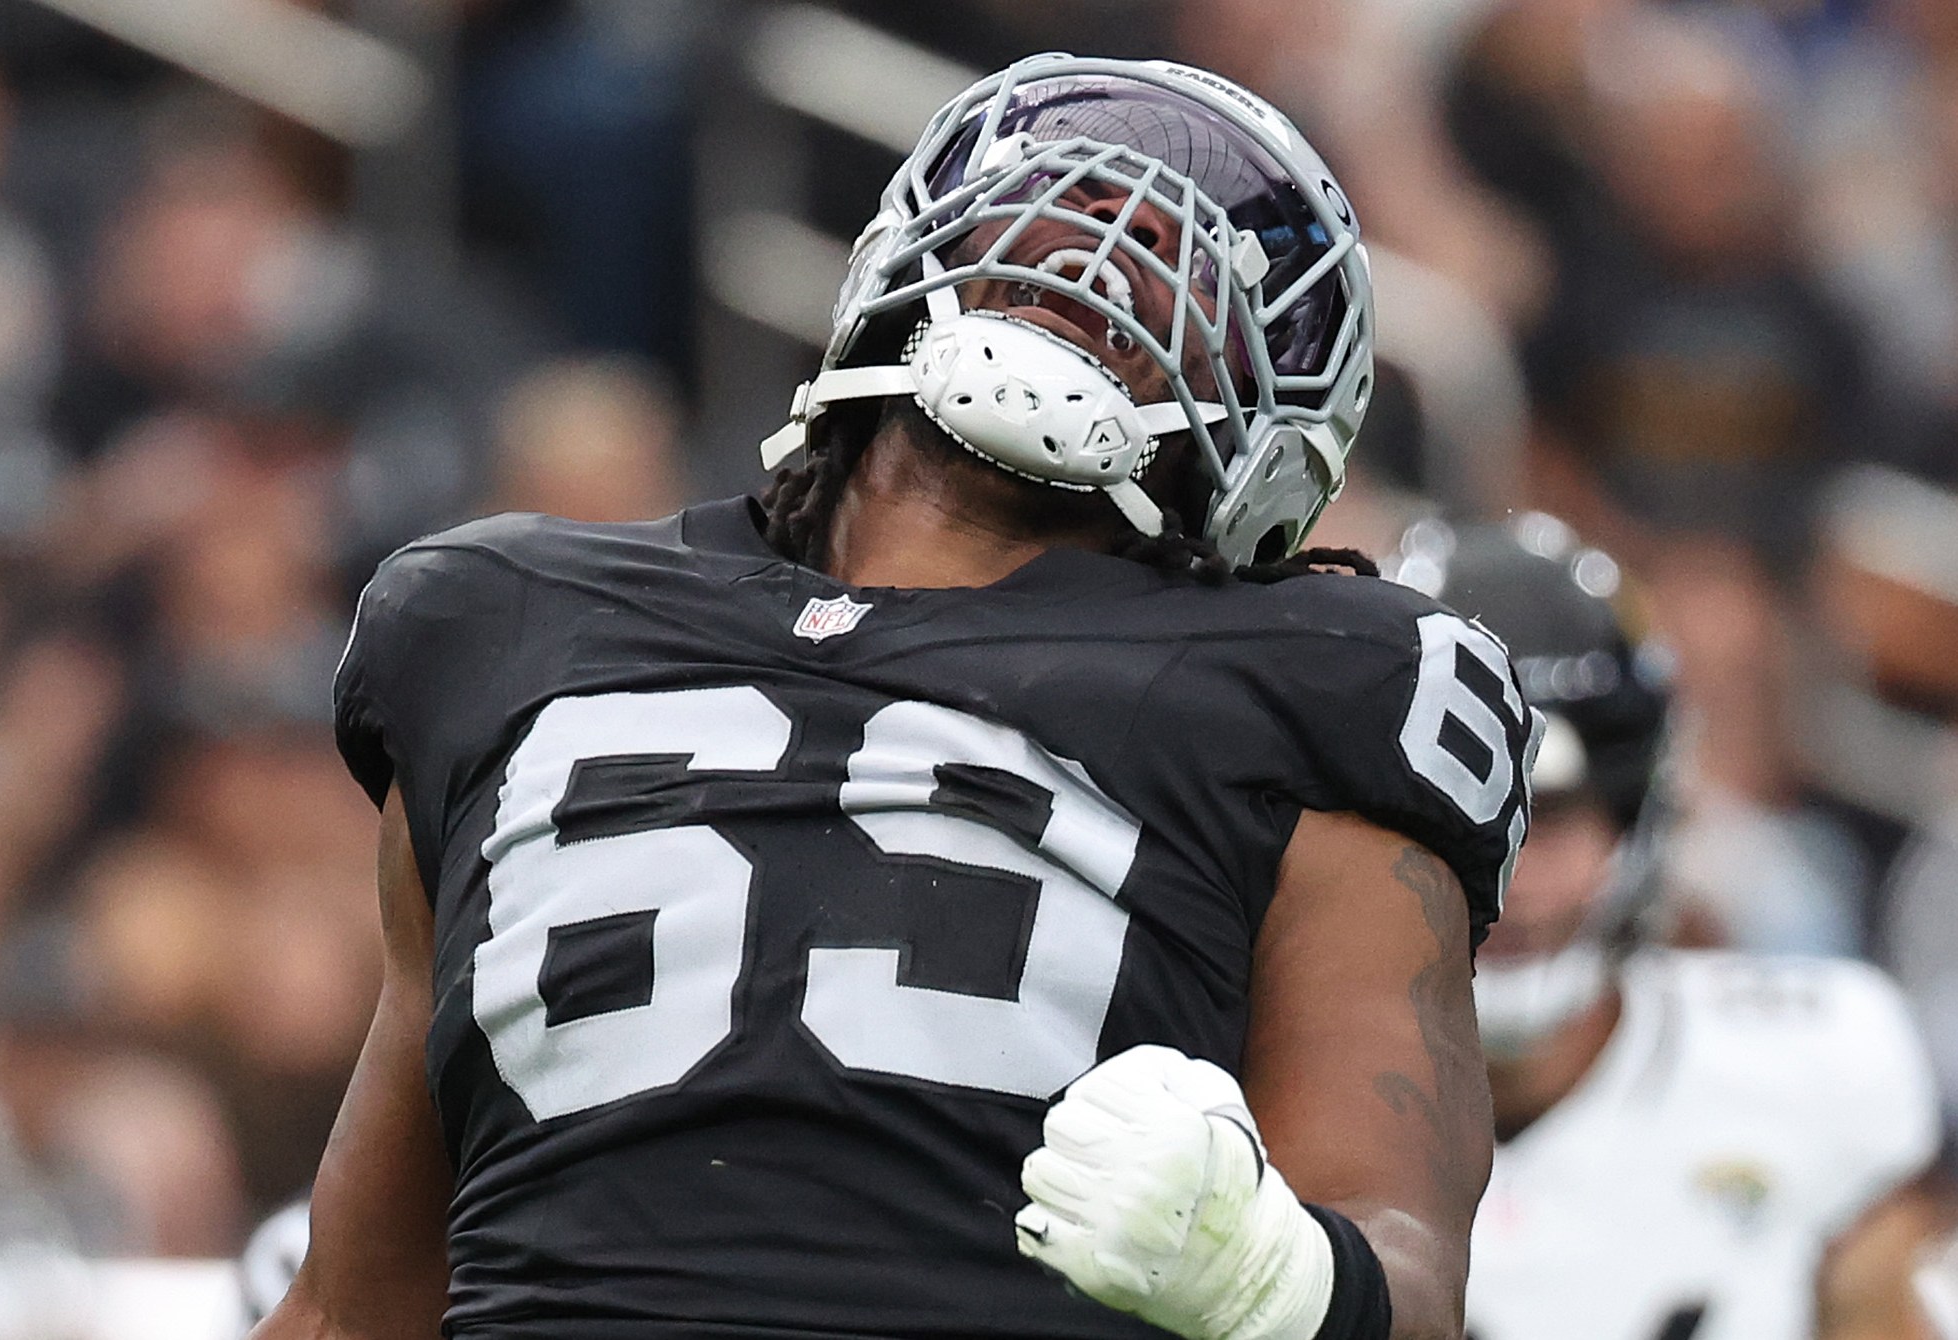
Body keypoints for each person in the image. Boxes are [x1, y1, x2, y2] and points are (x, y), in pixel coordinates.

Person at [254, 54, 1539, 1340]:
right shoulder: (508, 617)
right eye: (1072, 197)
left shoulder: (1316, 681)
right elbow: (355, 1301)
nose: (1117, 243)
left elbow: (1406, 1253)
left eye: (1186, 255)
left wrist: (1269, 1273)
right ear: (909, 245)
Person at [1390, 515, 1943, 1340]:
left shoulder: (1819, 1070)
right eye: (1459, 816)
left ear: (1637, 818)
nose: (1509, 875)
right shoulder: (1244, 1084)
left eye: (1554, 815)